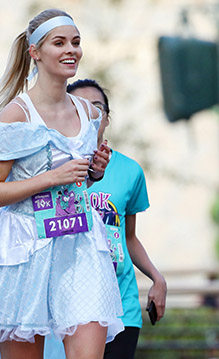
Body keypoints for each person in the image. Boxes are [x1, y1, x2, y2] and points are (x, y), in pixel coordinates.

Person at [0, 8, 120, 359]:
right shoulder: (15, 115)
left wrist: (94, 172)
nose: (71, 50)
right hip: (25, 247)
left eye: (75, 42)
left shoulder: (90, 115)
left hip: (81, 245)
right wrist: (50, 178)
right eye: (59, 43)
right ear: (35, 52)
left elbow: (77, 182)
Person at [68, 79, 167, 359]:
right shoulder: (55, 167)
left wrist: (157, 279)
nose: (89, 113)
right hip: (71, 304)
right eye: (78, 106)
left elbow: (128, 236)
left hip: (121, 305)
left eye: (97, 107)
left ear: (107, 119)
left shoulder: (129, 171)